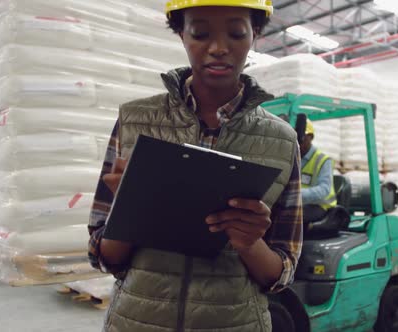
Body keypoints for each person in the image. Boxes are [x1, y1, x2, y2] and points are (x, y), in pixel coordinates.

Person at [87, 1, 303, 331]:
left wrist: (249, 242)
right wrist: (133, 210)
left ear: (255, 34)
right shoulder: (134, 121)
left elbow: (280, 274)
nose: (218, 48)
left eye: (236, 33)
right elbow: (104, 255)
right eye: (200, 33)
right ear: (181, 34)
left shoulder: (283, 140)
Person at [299, 119, 337, 224]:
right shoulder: (293, 158)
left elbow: (324, 189)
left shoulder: (324, 160)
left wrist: (297, 194)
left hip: (320, 206)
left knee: (290, 216)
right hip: (297, 203)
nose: (298, 142)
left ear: (310, 137)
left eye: (301, 138)